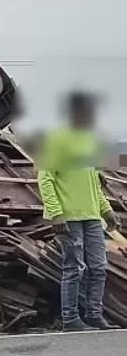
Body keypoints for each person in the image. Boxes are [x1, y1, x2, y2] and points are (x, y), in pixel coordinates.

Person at [36, 90, 121, 331]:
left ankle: (94, 314)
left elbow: (93, 184)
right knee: (74, 268)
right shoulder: (56, 140)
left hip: (92, 217)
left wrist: (107, 211)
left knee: (99, 267)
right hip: (69, 217)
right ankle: (71, 318)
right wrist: (55, 213)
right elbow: (45, 179)